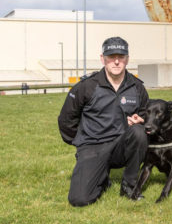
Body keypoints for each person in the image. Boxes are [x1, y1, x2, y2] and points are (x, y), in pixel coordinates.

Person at [58, 36, 149, 207]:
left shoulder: (137, 87)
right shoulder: (87, 86)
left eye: (121, 57)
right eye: (111, 57)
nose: (116, 62)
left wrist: (141, 119)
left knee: (139, 131)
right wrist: (81, 144)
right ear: (102, 59)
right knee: (80, 200)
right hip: (93, 147)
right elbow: (66, 119)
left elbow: (145, 113)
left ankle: (129, 186)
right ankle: (100, 177)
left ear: (127, 59)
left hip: (121, 146)